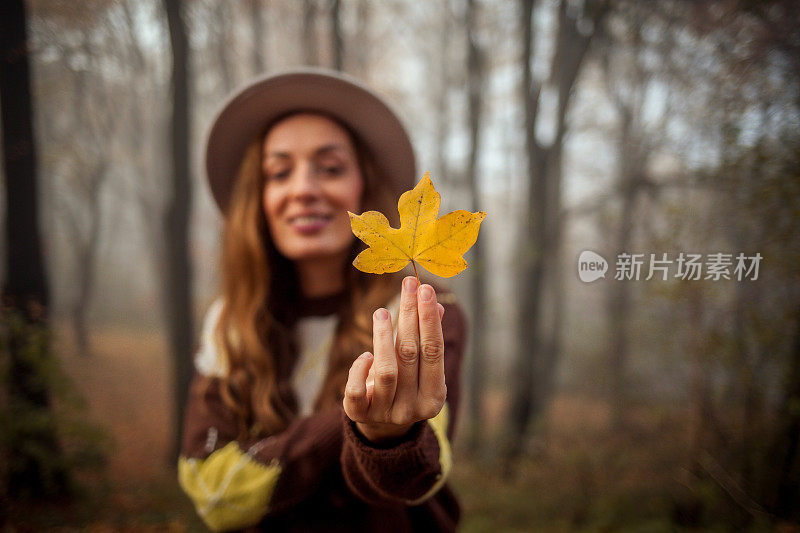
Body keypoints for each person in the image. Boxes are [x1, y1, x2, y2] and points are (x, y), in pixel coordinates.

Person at [177, 68, 467, 532]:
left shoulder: (421, 312)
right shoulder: (228, 324)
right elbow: (213, 490)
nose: (304, 189)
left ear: (364, 189)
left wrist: (389, 439)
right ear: (260, 198)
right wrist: (344, 424)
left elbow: (420, 476)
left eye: (330, 168)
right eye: (279, 172)